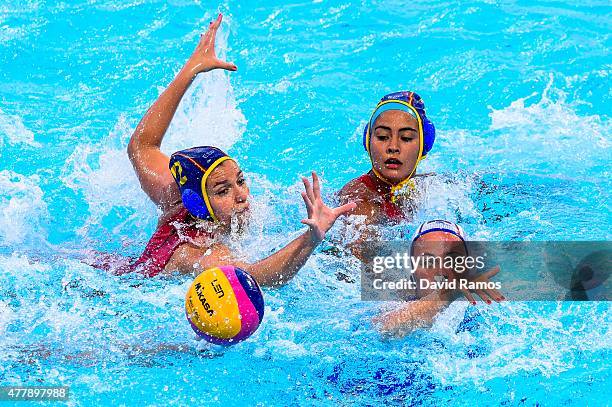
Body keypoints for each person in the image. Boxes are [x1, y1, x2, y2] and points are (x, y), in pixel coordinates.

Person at [125, 14, 356, 285]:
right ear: (198, 203)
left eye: (240, 181)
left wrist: (191, 70)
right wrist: (311, 238)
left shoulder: (174, 197)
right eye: (223, 190)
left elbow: (141, 145)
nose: (241, 196)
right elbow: (257, 279)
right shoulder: (199, 251)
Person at [373, 220, 504, 338]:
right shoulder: (396, 300)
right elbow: (381, 330)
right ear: (412, 272)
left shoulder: (485, 312)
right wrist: (447, 294)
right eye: (428, 262)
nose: (441, 271)